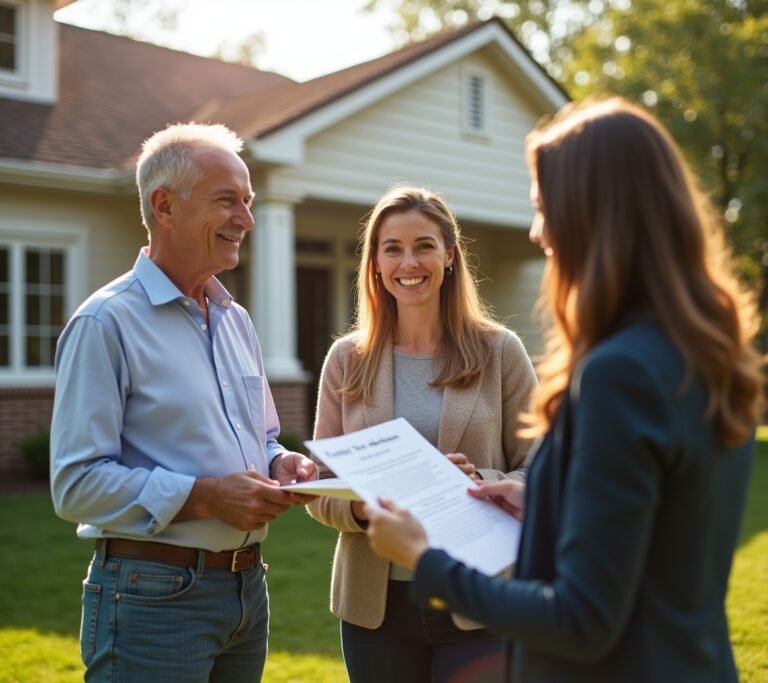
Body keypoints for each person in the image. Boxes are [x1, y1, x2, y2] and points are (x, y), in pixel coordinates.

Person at [365, 97, 765, 683]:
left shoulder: (618, 374)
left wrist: (425, 560)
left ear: (593, 216)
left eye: (543, 208)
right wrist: (546, 506)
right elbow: (665, 529)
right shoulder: (703, 352)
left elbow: (581, 618)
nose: (537, 230)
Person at [50, 122, 318, 682]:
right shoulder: (106, 322)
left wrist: (278, 462)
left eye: (247, 201)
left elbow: (262, 434)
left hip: (248, 590)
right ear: (164, 207)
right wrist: (204, 498)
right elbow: (75, 484)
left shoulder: (235, 320)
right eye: (227, 201)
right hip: (152, 600)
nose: (245, 219)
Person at [307, 185, 538, 682]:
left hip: (480, 598)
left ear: (450, 256)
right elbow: (319, 486)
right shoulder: (347, 360)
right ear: (374, 262)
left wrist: (479, 481)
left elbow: (542, 470)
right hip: (376, 608)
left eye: (424, 245)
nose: (408, 262)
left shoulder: (501, 352)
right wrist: (363, 506)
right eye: (392, 248)